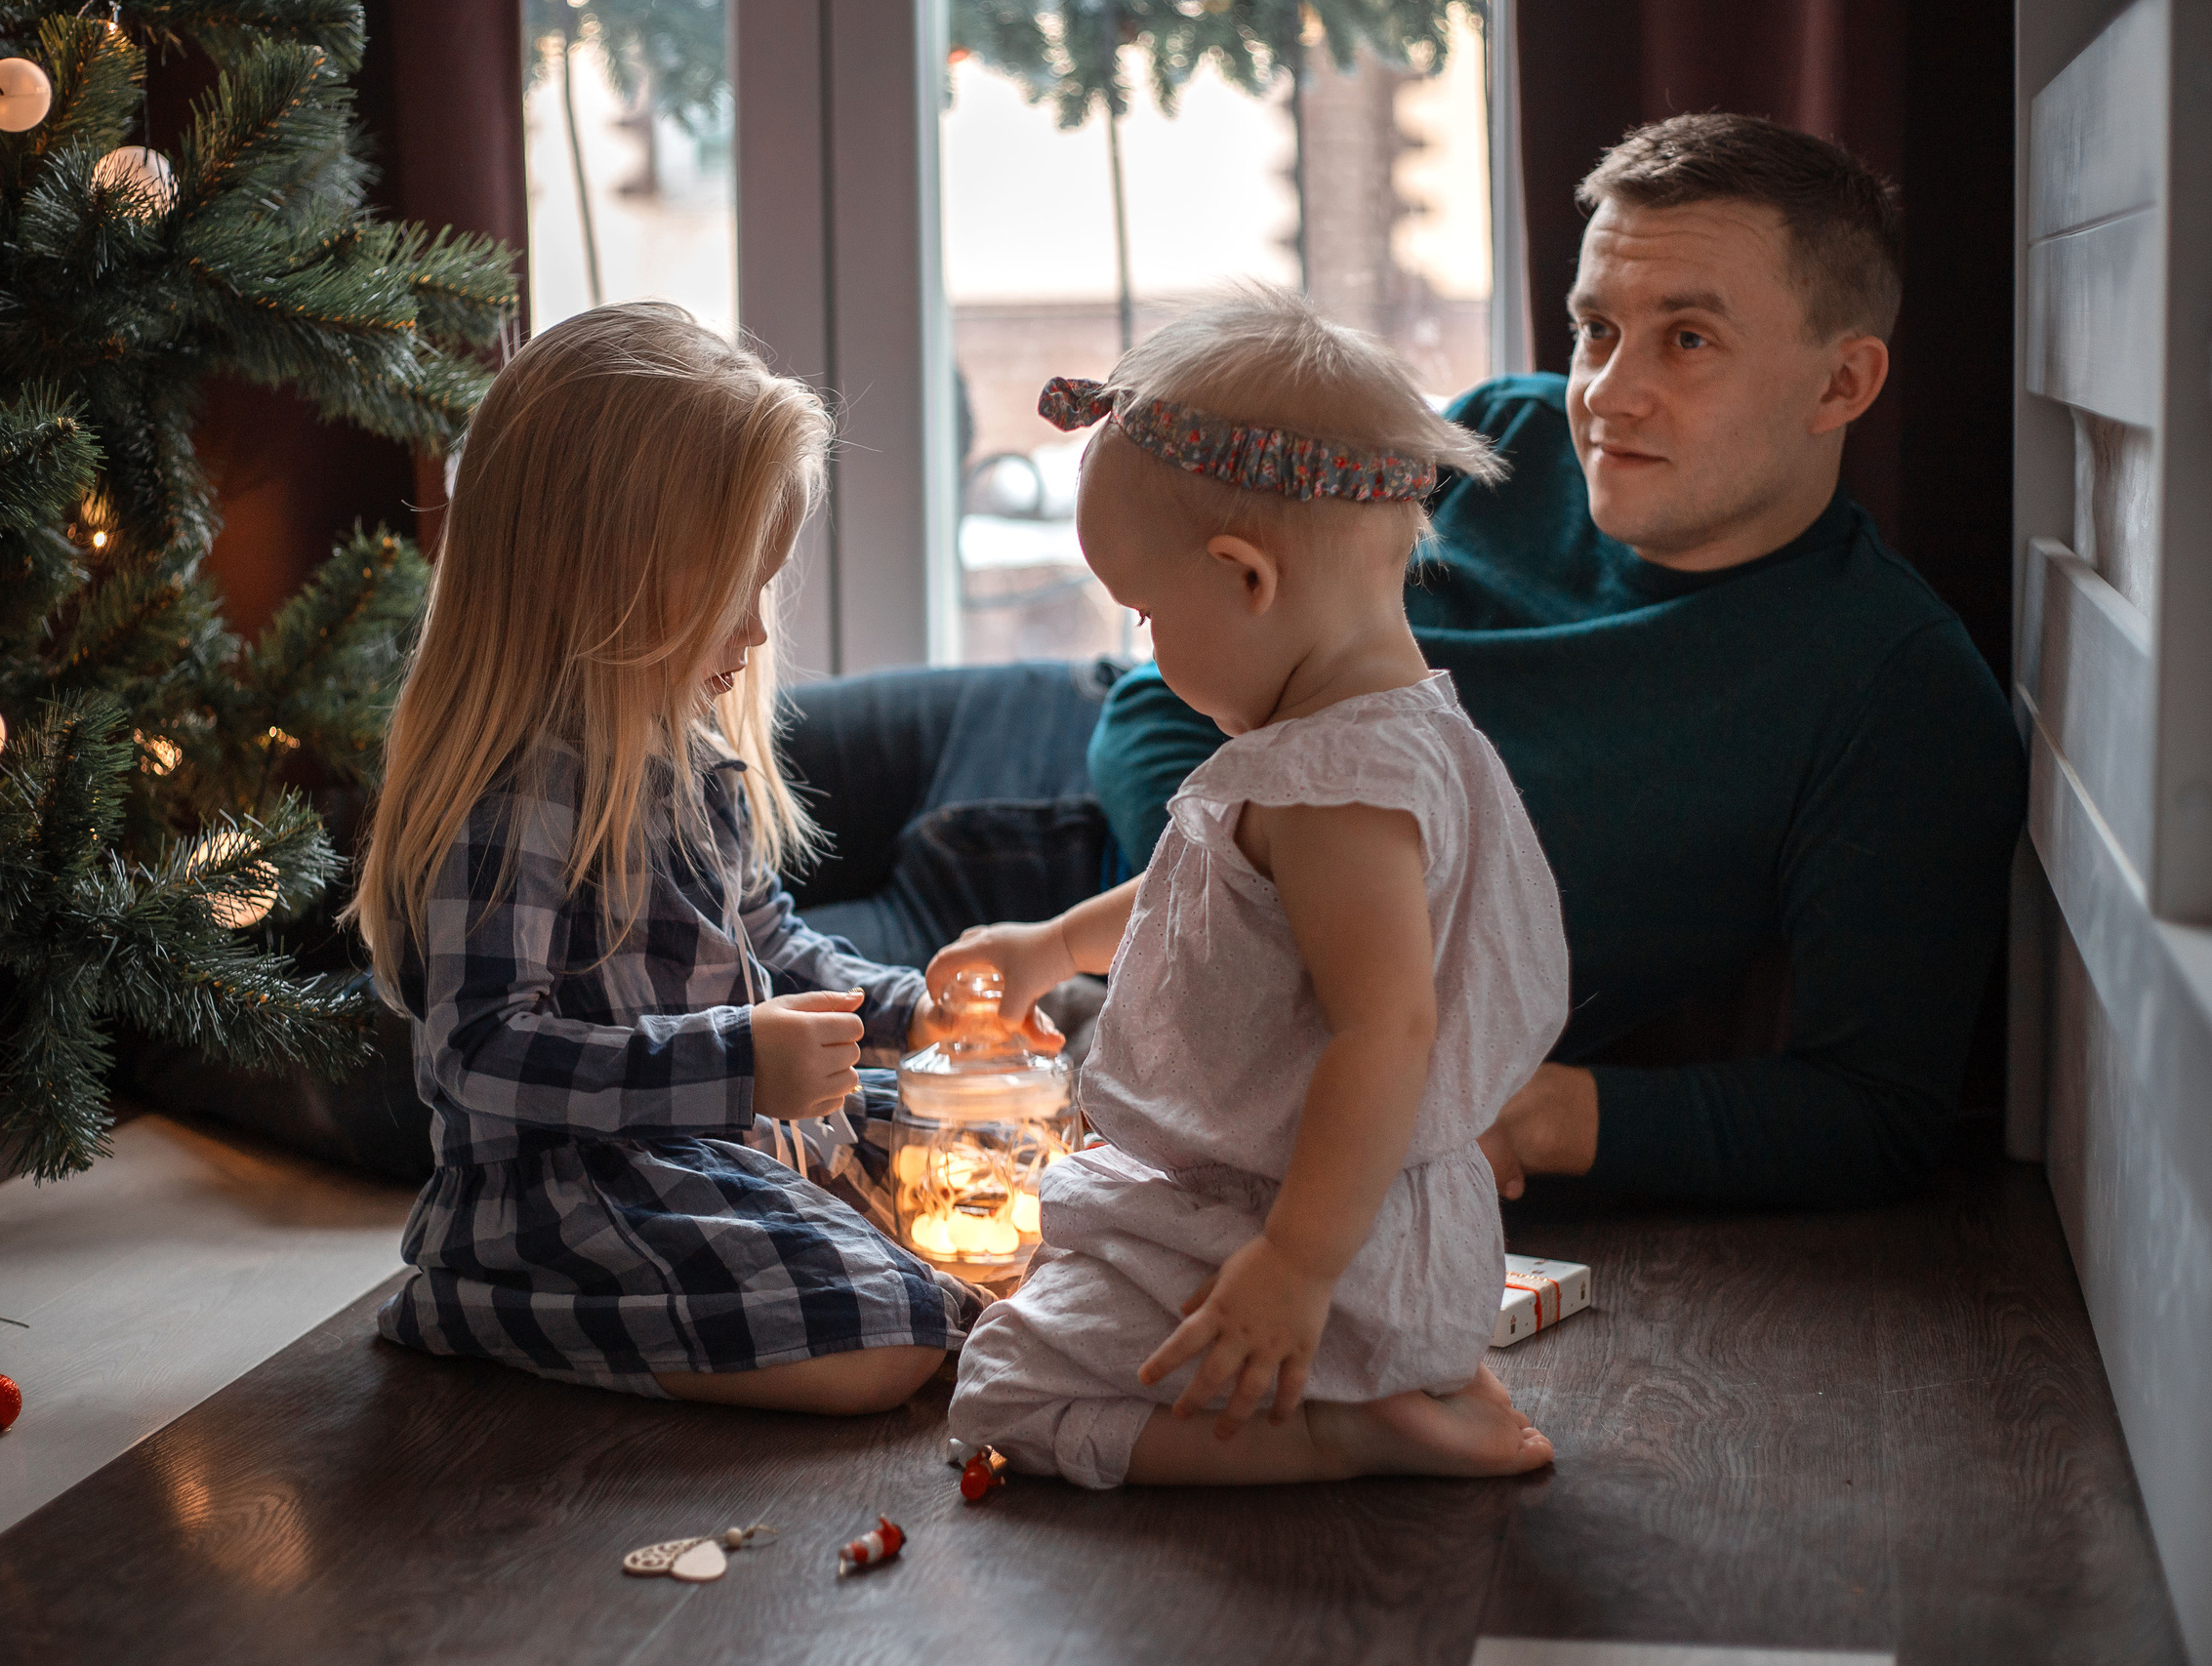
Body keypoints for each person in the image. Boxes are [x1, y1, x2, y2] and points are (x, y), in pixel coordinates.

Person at [1086, 114, 2025, 1210]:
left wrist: (1538, 1113)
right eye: (1594, 329)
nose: (1605, 393)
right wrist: (1230, 915)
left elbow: (1873, 1113)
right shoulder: (1502, 439)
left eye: (1686, 340)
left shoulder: (1894, 694)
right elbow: (1151, 696)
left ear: (1840, 386)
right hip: (1061, 866)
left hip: (1213, 1095)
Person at [344, 303, 1051, 1414]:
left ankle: (891, 1278)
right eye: (738, 585)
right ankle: (476, 1302)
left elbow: (774, 946)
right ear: (603, 573)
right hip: (573, 1189)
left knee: (1025, 1174)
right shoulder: (518, 790)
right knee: (885, 1334)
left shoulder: (685, 754)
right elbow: (478, 1058)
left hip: (731, 1141)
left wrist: (925, 1016)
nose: (759, 632)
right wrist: (730, 1066)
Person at [937, 292, 1561, 1488]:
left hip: (1313, 1238)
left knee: (1004, 1385)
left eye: (1146, 610)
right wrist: (1053, 944)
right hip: (1390, 1241)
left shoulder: (1333, 787)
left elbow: (1389, 1029)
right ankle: (1405, 1379)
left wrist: (1292, 1268)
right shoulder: (1402, 735)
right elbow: (1206, 898)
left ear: (1245, 578)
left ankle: (1345, 1428)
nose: (1142, 641)